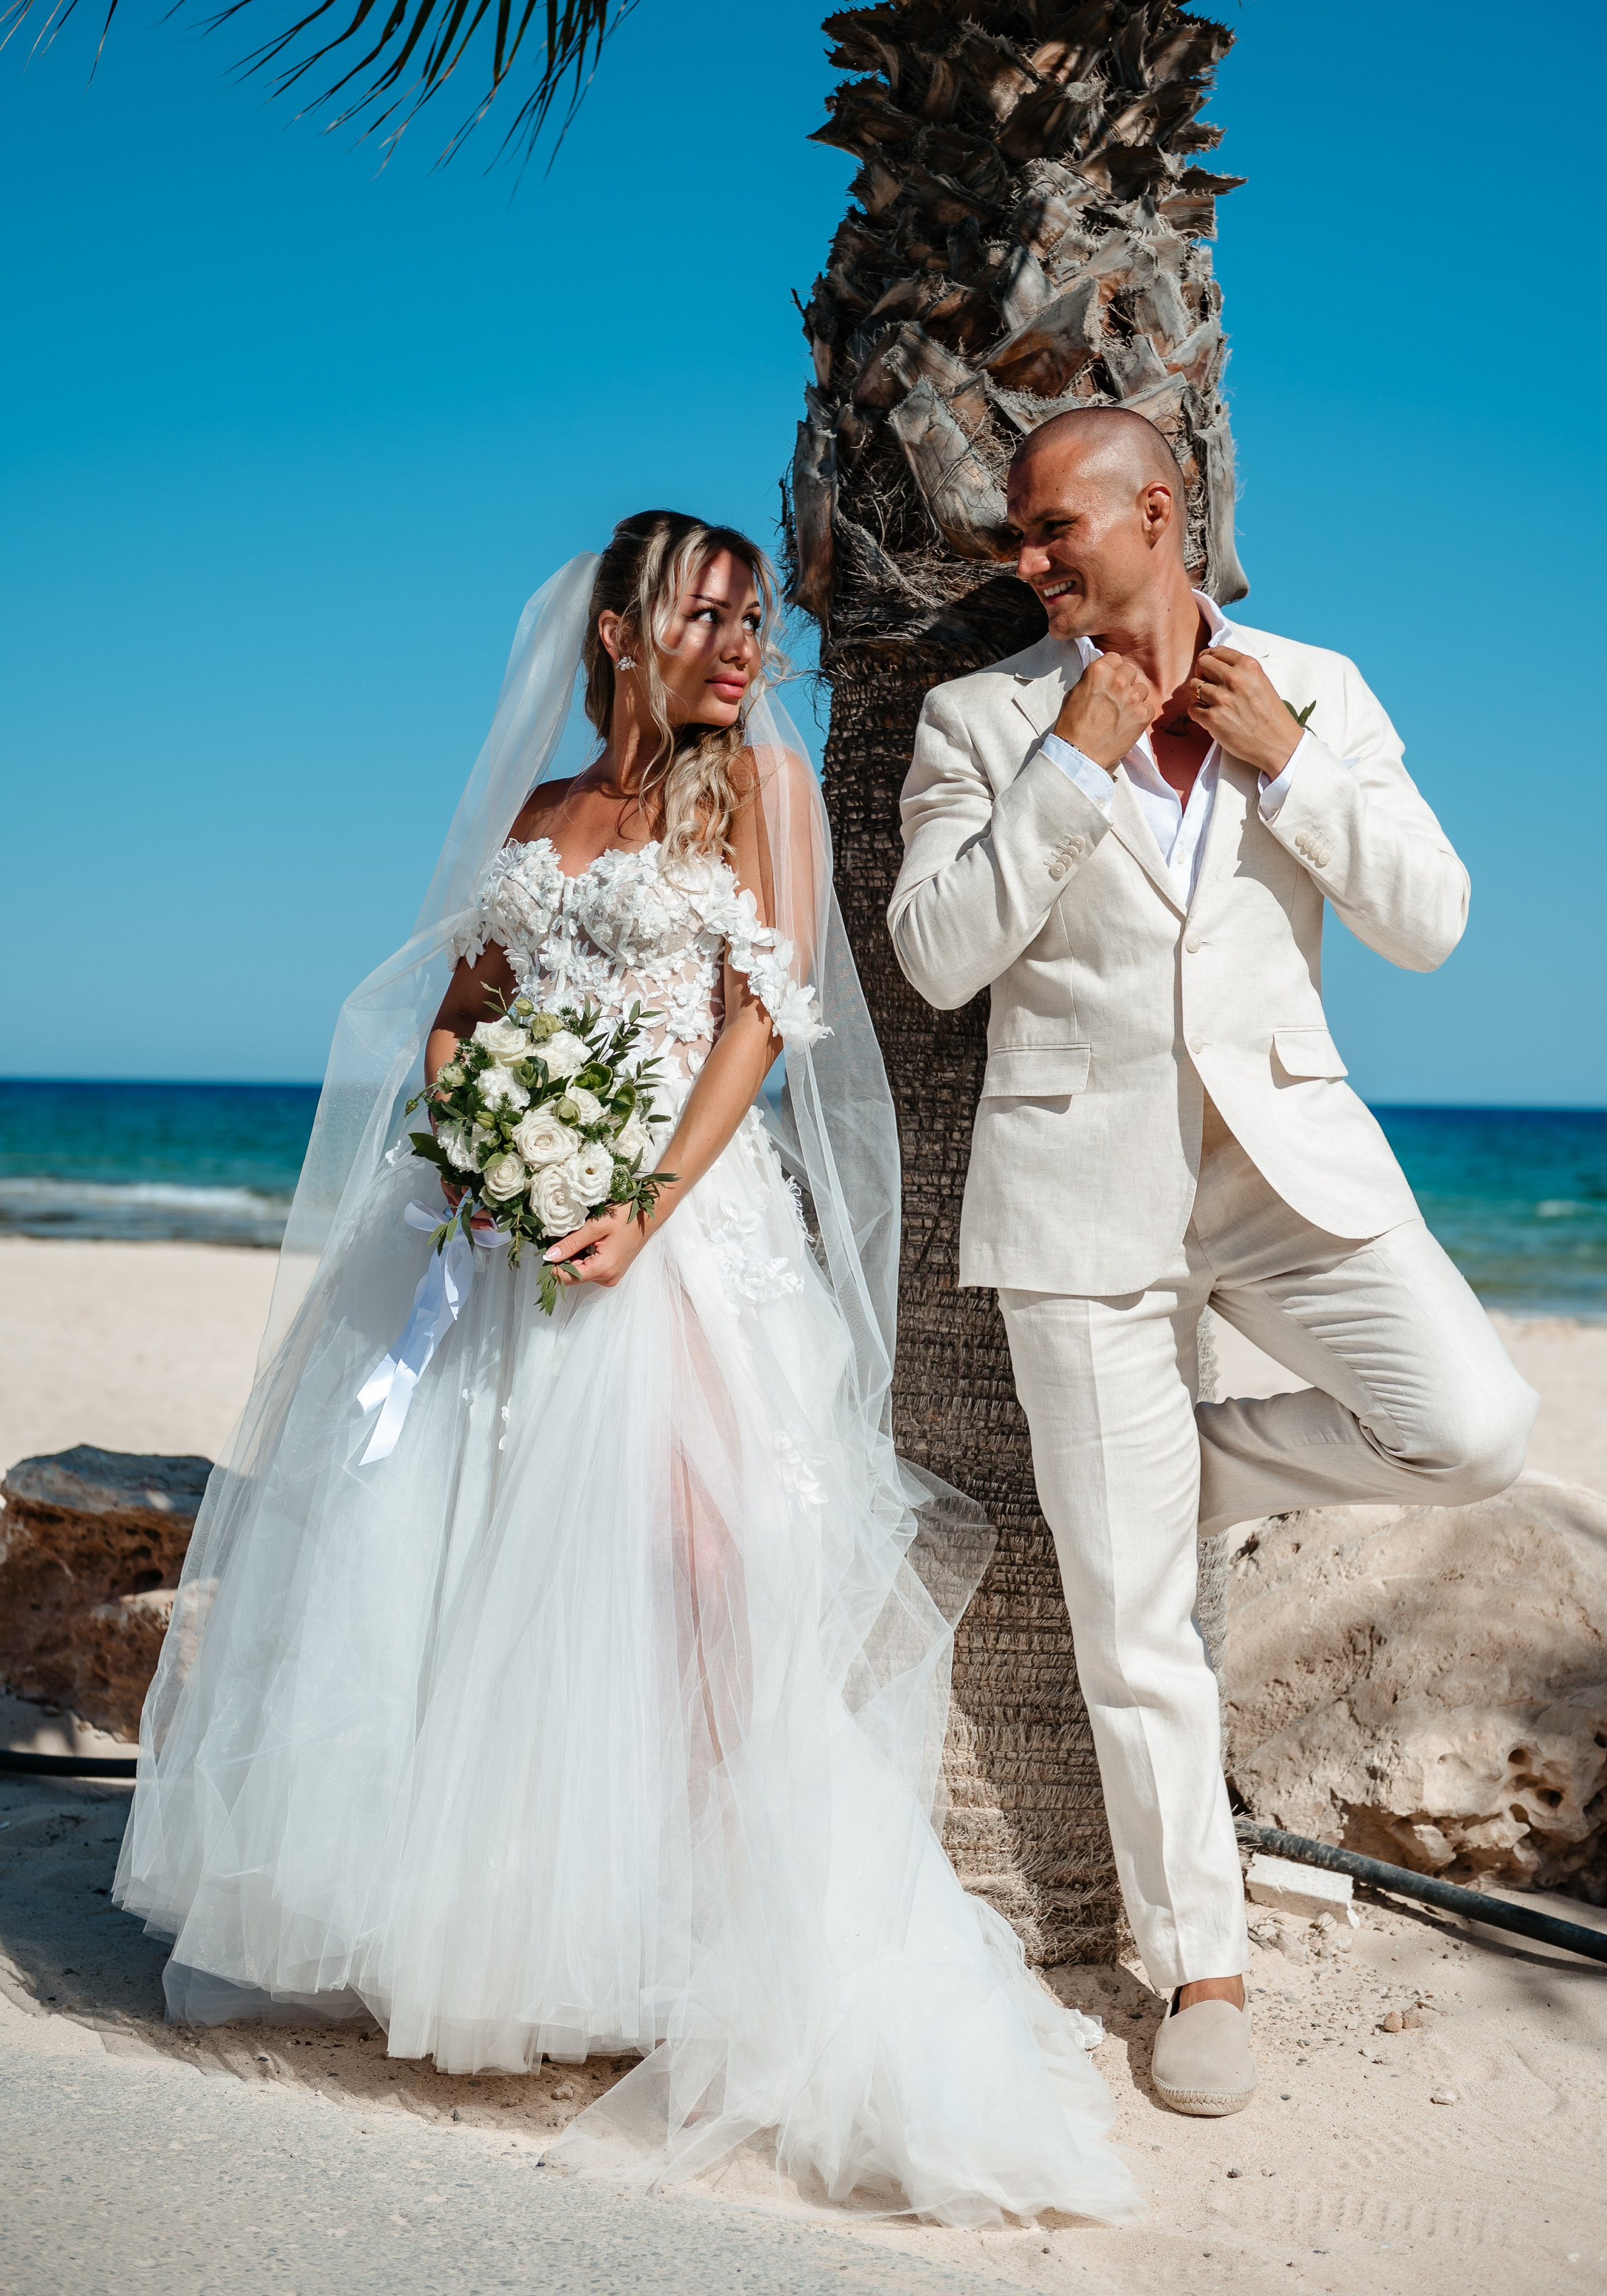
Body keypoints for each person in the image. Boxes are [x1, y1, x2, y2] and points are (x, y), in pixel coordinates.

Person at [116, 510, 1135, 2228]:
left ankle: (767, 1960)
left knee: (705, 1582)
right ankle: (495, 1937)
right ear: (615, 633)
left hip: (682, 1249)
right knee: (462, 1575)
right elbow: (464, 1002)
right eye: (710, 615)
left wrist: (640, 1207)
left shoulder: (765, 800)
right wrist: (478, 1134)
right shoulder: (537, 818)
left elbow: (762, 1019)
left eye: (759, 620)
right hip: (498, 1244)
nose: (746, 647)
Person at [888, 412, 1538, 2118]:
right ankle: (1205, 1963)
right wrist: (1069, 764)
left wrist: (1293, 766)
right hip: (1076, 1189)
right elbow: (939, 954)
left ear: (1157, 512)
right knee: (1133, 1626)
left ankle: (1197, 1468)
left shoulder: (1316, 682)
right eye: (1021, 542)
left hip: (1286, 1167)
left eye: (1052, 531)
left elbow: (1433, 915)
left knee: (1475, 1426)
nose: (1030, 562)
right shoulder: (981, 718)